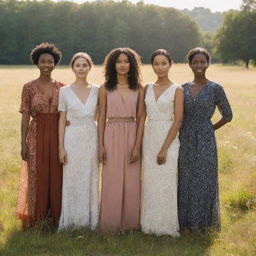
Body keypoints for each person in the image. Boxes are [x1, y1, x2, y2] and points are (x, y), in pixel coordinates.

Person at [178, 47, 233, 232]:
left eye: (203, 61)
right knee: (185, 179)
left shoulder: (215, 88)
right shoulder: (183, 88)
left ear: (208, 63)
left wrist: (209, 129)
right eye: (196, 61)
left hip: (206, 140)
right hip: (184, 138)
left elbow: (228, 115)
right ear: (190, 64)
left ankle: (204, 223)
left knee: (204, 179)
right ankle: (185, 223)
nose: (199, 65)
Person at [16, 42, 63, 228]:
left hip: (58, 135)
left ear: (55, 63)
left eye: (50, 61)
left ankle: (57, 217)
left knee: (57, 175)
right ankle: (38, 217)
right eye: (42, 61)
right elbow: (25, 116)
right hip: (36, 134)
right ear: (36, 63)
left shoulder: (63, 87)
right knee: (37, 174)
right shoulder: (28, 87)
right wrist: (23, 143)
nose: (46, 65)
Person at [98, 48, 144, 233]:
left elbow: (141, 118)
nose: (123, 65)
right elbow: (101, 117)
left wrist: (137, 146)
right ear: (112, 64)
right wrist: (100, 145)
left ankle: (131, 224)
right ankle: (110, 224)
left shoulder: (139, 87)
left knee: (133, 181)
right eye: (119, 61)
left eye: (126, 61)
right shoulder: (105, 88)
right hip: (111, 133)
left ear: (132, 64)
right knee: (111, 179)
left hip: (132, 132)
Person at [141, 49, 183, 236]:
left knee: (166, 181)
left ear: (170, 64)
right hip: (149, 137)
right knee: (149, 181)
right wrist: (137, 145)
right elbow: (142, 117)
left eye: (163, 63)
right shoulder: (147, 88)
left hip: (168, 137)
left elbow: (178, 120)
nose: (160, 67)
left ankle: (166, 225)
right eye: (156, 63)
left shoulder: (177, 89)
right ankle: (149, 224)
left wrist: (164, 149)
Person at [58, 52, 99, 230]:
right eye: (78, 65)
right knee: (72, 177)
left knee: (90, 176)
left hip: (91, 136)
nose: (81, 68)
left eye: (84, 65)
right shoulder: (64, 91)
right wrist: (61, 147)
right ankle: (72, 219)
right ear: (72, 68)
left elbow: (101, 115)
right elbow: (61, 120)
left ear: (90, 67)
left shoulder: (98, 90)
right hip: (71, 137)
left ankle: (90, 220)